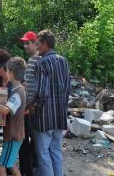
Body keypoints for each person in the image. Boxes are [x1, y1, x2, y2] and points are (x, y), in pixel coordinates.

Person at [29, 30, 70, 176]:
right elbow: (67, 89)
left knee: (43, 154)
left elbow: (41, 93)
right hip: (60, 115)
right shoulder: (64, 61)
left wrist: (32, 107)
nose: (37, 47)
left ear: (45, 44)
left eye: (38, 44)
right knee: (56, 151)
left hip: (45, 117)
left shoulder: (42, 63)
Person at [20, 31, 39, 176]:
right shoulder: (33, 59)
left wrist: (29, 104)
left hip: (33, 107)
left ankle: (35, 168)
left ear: (35, 43)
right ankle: (33, 166)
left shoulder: (36, 59)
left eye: (28, 43)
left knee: (35, 139)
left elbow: (37, 86)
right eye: (24, 43)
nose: (25, 45)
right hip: (31, 105)